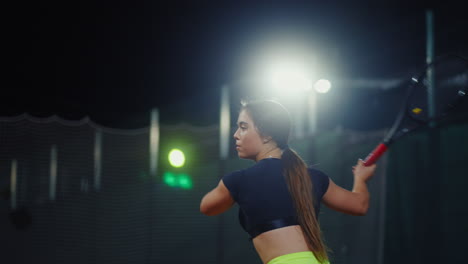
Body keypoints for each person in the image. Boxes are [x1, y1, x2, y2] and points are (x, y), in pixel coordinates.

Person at [200, 99, 377, 264]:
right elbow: (359, 204)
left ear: (267, 134)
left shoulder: (238, 180)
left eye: (243, 127)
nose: (235, 135)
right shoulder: (313, 177)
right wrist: (360, 178)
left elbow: (206, 207)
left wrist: (228, 188)